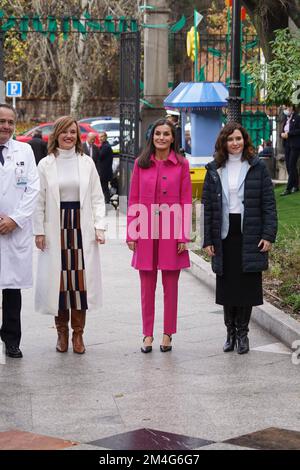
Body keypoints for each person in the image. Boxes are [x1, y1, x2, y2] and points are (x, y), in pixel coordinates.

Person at [201, 122, 277, 355]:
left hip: (250, 232)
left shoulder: (257, 167)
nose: (235, 143)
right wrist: (207, 239)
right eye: (230, 139)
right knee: (227, 286)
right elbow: (208, 207)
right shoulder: (214, 169)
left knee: (246, 286)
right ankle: (230, 333)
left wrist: (268, 234)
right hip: (224, 232)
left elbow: (269, 204)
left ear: (245, 140)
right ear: (223, 142)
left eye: (239, 139)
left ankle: (243, 334)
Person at [33, 116, 106, 354]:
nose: (68, 136)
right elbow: (39, 199)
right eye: (64, 132)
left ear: (78, 136)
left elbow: (97, 196)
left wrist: (100, 226)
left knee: (79, 284)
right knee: (60, 285)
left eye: (73, 132)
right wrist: (39, 231)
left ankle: (78, 335)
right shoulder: (45, 164)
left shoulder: (86, 163)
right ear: (56, 135)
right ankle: (61, 333)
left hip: (80, 227)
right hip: (56, 226)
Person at [127, 118, 192, 353]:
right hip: (145, 229)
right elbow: (133, 198)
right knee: (147, 286)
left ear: (173, 138)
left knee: (171, 286)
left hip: (172, 228)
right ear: (152, 137)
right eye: (157, 134)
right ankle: (147, 334)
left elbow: (185, 201)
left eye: (166, 134)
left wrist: (183, 235)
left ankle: (167, 334)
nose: (161, 138)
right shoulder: (140, 164)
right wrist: (131, 232)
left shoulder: (182, 164)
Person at [0, 103, 40, 358]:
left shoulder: (24, 150)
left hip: (14, 231)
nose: (5, 126)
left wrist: (14, 219)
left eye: (10, 122)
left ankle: (11, 340)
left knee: (12, 291)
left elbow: (33, 189)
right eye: (1, 121)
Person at [280, 103, 300, 196]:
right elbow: (282, 129)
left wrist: (289, 134)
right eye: (284, 108)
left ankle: (288, 187)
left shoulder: (297, 117)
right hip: (287, 144)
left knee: (292, 164)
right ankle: (295, 185)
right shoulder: (285, 118)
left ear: (292, 107)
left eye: (286, 107)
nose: (285, 109)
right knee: (289, 165)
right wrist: (282, 134)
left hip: (295, 144)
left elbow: (298, 130)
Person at [97, 131, 113, 204]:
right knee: (104, 187)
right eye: (99, 137)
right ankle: (106, 200)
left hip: (104, 172)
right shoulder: (104, 145)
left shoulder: (106, 147)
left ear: (105, 137)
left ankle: (107, 201)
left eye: (102, 137)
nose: (100, 138)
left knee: (104, 187)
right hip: (104, 171)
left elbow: (99, 156)